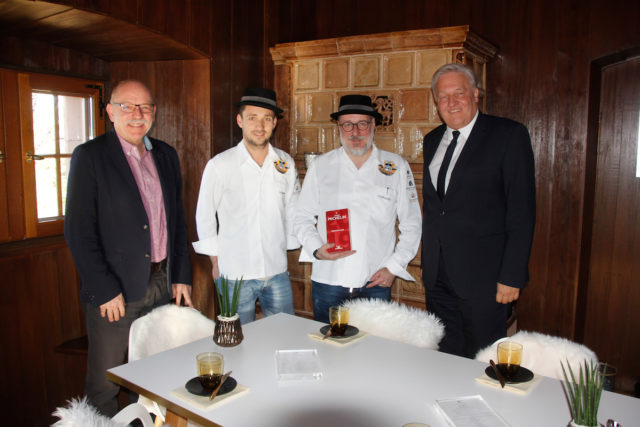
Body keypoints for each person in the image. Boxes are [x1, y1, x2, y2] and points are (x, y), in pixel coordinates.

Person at [64, 79, 193, 416]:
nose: (137, 114)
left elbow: (176, 220)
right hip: (115, 292)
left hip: (162, 283)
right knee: (105, 384)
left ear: (153, 112)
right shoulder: (90, 156)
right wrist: (104, 289)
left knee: (160, 375)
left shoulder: (165, 154)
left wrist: (180, 274)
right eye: (126, 106)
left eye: (145, 107)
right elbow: (78, 231)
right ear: (109, 111)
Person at [421, 63, 536, 358]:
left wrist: (512, 275)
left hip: (485, 279)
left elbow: (522, 212)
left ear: (475, 94)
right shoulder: (432, 140)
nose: (451, 102)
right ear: (436, 103)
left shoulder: (508, 135)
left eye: (459, 93)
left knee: (483, 359)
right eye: (443, 97)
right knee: (445, 355)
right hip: (438, 276)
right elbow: (438, 209)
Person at [294, 94, 422, 323]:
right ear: (339, 128)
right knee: (329, 346)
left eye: (362, 124)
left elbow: (412, 224)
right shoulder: (321, 166)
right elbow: (302, 216)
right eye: (347, 125)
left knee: (373, 352)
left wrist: (393, 268)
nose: (355, 132)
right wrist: (316, 249)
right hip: (328, 279)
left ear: (373, 125)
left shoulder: (395, 166)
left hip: (375, 281)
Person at [193, 87, 299, 324]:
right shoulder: (220, 164)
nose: (260, 126)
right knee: (238, 343)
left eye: (267, 119)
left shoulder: (285, 162)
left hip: (277, 271)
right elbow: (205, 216)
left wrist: (288, 245)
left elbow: (292, 209)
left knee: (284, 335)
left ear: (274, 124)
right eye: (252, 118)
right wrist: (215, 260)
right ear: (240, 120)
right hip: (235, 275)